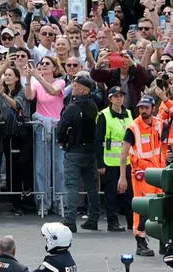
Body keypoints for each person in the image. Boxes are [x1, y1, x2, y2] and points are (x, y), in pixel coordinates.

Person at [119, 95, 166, 256]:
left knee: (162, 206)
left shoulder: (160, 124)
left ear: (153, 108)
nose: (143, 110)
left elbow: (165, 147)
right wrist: (122, 177)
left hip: (160, 172)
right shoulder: (133, 128)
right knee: (143, 209)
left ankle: (163, 242)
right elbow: (123, 153)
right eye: (141, 108)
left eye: (146, 107)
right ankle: (140, 242)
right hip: (142, 174)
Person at [58, 74, 100, 232]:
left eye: (75, 86)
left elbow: (62, 126)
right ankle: (93, 218)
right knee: (91, 186)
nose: (72, 89)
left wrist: (61, 141)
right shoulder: (93, 105)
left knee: (72, 186)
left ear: (82, 89)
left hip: (74, 150)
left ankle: (70, 220)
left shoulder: (73, 107)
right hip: (90, 151)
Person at [95, 86, 132, 232]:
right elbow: (98, 140)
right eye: (116, 96)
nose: (119, 99)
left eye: (121, 96)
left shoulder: (129, 113)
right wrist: (100, 162)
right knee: (111, 194)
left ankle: (131, 222)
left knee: (129, 193)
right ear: (110, 98)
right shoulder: (104, 115)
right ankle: (112, 222)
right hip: (109, 161)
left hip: (127, 160)